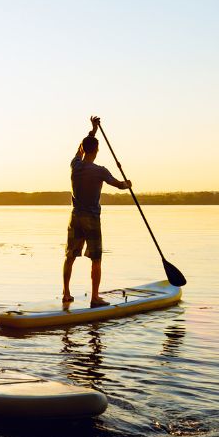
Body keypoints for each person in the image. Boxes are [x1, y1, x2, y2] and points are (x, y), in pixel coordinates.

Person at [63, 115, 131, 308]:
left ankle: (66, 294)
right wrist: (128, 184)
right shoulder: (100, 170)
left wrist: (93, 131)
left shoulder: (74, 166)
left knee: (70, 256)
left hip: (75, 217)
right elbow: (119, 185)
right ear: (97, 150)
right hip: (91, 218)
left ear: (84, 149)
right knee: (96, 258)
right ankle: (95, 297)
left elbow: (79, 149)